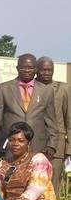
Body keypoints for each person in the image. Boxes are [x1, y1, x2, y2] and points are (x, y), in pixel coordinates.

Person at [0, 54, 58, 160]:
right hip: (11, 146)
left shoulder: (46, 91)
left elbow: (51, 122)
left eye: (31, 67)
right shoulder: (3, 89)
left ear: (36, 69)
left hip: (38, 146)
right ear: (17, 68)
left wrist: (52, 145)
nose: (27, 70)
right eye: (23, 67)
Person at [36, 56, 71, 192]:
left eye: (49, 70)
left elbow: (69, 120)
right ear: (37, 70)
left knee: (53, 183)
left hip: (57, 145)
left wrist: (69, 149)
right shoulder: (32, 89)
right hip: (36, 142)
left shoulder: (63, 89)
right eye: (43, 70)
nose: (47, 73)